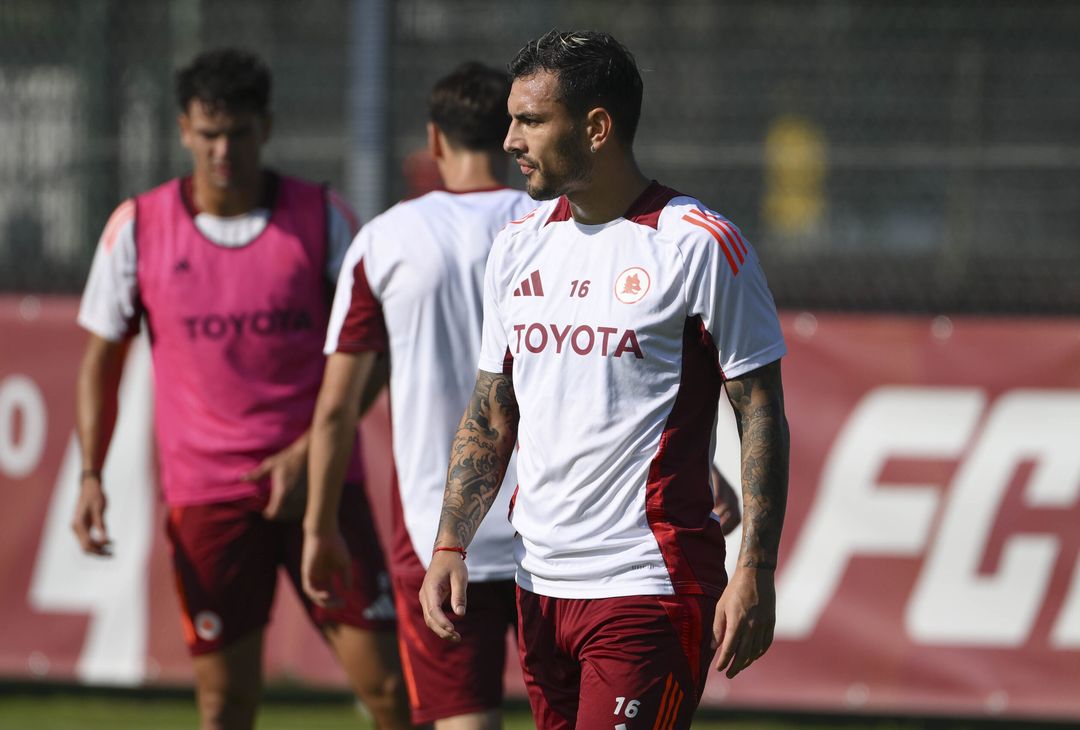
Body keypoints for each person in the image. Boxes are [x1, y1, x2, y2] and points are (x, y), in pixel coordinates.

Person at [419, 30, 791, 730]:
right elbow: (491, 414)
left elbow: (761, 411)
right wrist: (450, 544)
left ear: (595, 127)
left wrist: (756, 570)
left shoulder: (697, 244)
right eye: (511, 119)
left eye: (531, 120)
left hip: (648, 586)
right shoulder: (516, 246)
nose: (509, 140)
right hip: (540, 587)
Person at [70, 48, 410, 730]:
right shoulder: (137, 227)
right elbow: (99, 365)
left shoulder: (323, 218)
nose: (224, 148)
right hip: (207, 496)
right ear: (185, 130)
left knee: (390, 692)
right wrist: (89, 474)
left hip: (320, 488)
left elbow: (380, 352)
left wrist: (308, 453)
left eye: (240, 132)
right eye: (209, 131)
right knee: (225, 703)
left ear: (268, 128)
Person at [302, 61, 535, 730]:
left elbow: (338, 407)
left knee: (462, 720)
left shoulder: (386, 240)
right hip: (552, 526)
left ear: (435, 141)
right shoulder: (556, 226)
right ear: (512, 133)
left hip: (434, 532)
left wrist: (319, 528)